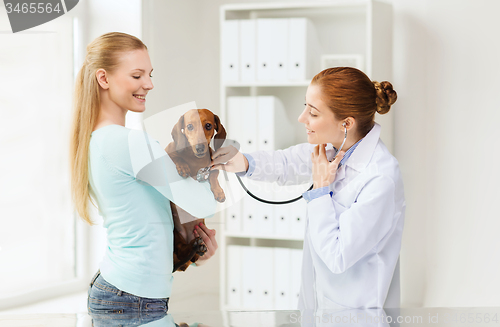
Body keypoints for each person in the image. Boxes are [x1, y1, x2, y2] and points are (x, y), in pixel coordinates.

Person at [211, 67, 406, 310]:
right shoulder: (334, 148)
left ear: (346, 123)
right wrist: (243, 162)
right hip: (318, 305)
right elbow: (286, 163)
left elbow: (338, 256)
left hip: (357, 313)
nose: (302, 118)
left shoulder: (380, 177)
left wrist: (320, 191)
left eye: (312, 113)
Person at [69, 32, 219, 316]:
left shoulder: (96, 140)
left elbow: (145, 224)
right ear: (104, 79)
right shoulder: (130, 142)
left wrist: (193, 252)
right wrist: (209, 160)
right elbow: (205, 204)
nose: (149, 84)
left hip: (125, 292)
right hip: (132, 300)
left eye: (149, 75)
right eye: (137, 76)